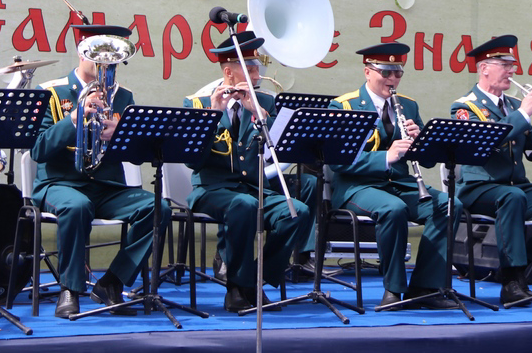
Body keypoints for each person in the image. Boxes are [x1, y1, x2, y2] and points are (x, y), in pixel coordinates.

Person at [31, 24, 170, 318]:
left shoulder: (124, 97)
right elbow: (39, 149)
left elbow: (136, 157)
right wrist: (73, 120)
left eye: (112, 59)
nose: (106, 65)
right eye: (98, 56)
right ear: (82, 53)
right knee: (76, 206)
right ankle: (70, 288)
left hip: (106, 186)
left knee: (159, 208)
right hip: (60, 183)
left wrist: (122, 134)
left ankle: (112, 282)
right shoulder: (51, 91)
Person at [185, 32, 314, 312]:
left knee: (297, 212)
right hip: (212, 189)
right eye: (251, 69)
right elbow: (193, 162)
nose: (258, 76)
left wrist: (260, 116)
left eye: (257, 69)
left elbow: (278, 151)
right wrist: (213, 116)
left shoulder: (264, 102)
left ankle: (253, 281)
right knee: (243, 205)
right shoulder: (197, 103)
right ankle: (236, 289)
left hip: (254, 188)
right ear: (229, 72)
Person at [329, 43, 461, 310]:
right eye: (385, 72)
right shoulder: (345, 105)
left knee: (449, 205)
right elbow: (337, 161)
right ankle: (393, 288)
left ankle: (425, 286)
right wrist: (385, 157)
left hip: (399, 184)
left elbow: (427, 160)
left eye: (398, 73)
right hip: (358, 187)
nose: (392, 79)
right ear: (367, 71)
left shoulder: (408, 105)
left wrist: (421, 141)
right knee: (393, 209)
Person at [450, 35, 532, 306]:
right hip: (479, 186)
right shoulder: (465, 106)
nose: (512, 71)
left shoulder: (515, 105)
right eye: (504, 65)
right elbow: (485, 143)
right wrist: (524, 113)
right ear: (484, 68)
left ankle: (524, 271)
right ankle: (511, 281)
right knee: (512, 198)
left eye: (513, 65)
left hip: (515, 185)